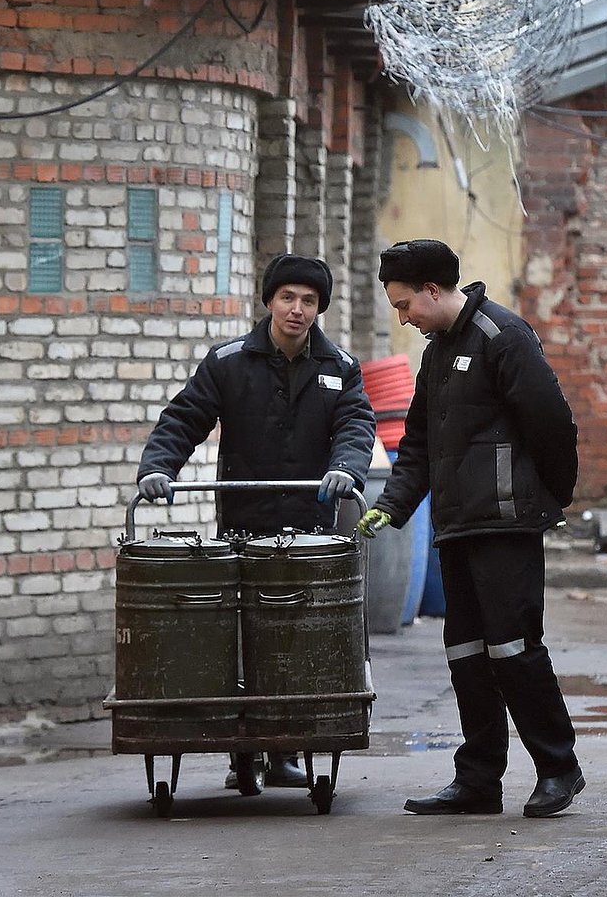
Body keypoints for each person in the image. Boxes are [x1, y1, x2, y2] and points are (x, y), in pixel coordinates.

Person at [357, 239, 582, 817]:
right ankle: (478, 780)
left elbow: (553, 423)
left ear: (434, 291)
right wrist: (396, 504)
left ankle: (559, 768)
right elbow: (419, 442)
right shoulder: (438, 354)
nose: (403, 318)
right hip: (457, 526)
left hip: (506, 525)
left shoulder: (502, 337)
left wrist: (547, 499)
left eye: (406, 305)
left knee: (514, 648)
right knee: (466, 653)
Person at [137, 253, 376, 788]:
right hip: (243, 522)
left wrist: (344, 470)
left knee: (294, 636)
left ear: (320, 309)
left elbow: (356, 427)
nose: (297, 310)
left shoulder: (339, 368)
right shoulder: (228, 363)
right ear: (269, 301)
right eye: (288, 298)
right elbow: (184, 417)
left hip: (306, 525)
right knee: (241, 634)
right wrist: (157, 469)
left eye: (309, 301)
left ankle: (286, 750)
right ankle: (242, 756)